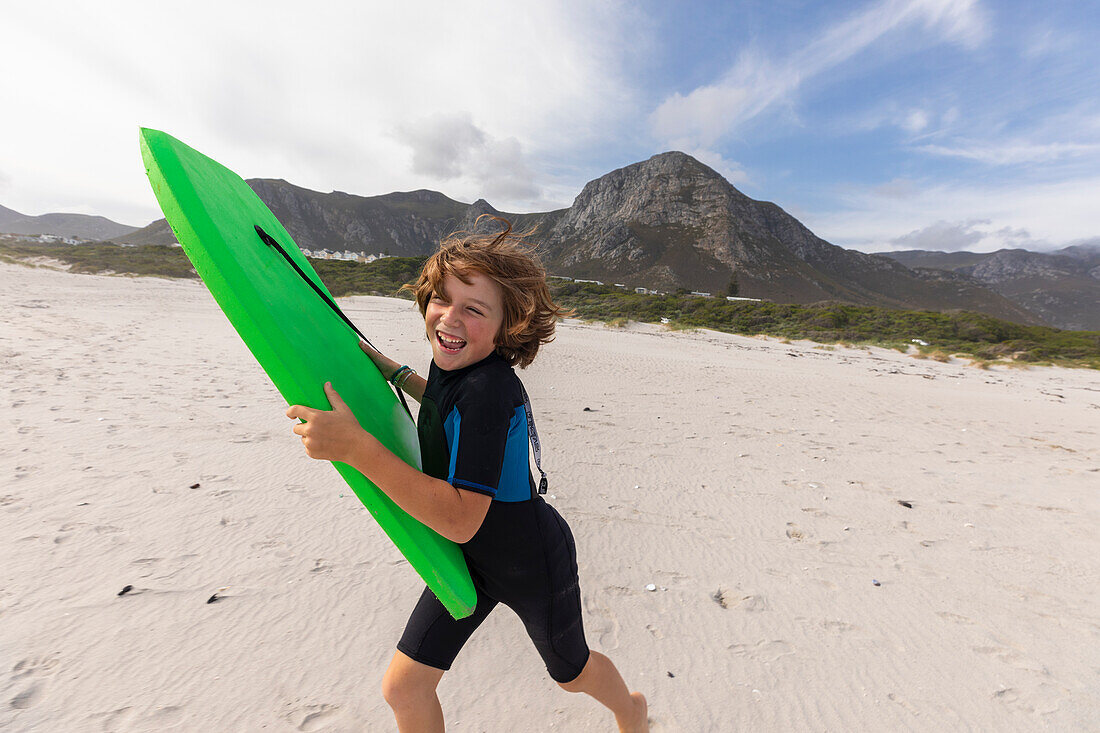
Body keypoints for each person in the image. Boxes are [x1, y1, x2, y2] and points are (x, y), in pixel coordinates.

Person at [285, 218, 648, 732]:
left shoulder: (487, 391)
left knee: (571, 672)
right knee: (404, 688)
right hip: (471, 559)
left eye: (474, 309)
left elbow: (459, 519)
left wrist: (357, 448)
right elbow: (441, 404)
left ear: (508, 329)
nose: (449, 319)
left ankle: (631, 710)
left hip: (529, 560)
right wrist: (394, 372)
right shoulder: (457, 363)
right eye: (441, 299)